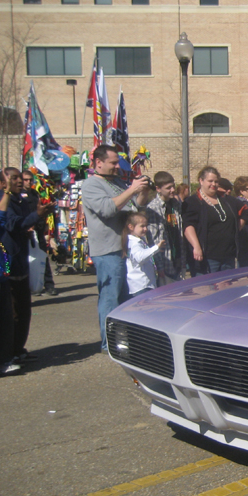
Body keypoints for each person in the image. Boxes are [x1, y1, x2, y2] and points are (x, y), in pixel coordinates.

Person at [81, 145, 153, 352]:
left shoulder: (117, 183)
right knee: (110, 297)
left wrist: (142, 191)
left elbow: (135, 207)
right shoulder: (91, 185)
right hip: (107, 250)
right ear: (98, 163)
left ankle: (124, 339)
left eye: (117, 163)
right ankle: (108, 343)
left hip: (125, 249)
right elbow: (107, 209)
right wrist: (131, 189)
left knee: (125, 297)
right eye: (113, 163)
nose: (116, 167)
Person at [182, 166, 248, 274]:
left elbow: (247, 211)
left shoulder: (226, 200)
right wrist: (196, 247)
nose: (214, 184)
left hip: (228, 257)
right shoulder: (192, 202)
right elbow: (188, 226)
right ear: (201, 181)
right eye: (210, 181)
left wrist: (237, 226)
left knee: (228, 289)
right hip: (207, 257)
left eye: (216, 182)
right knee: (207, 289)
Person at [21, 170, 58, 296]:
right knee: (28, 260)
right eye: (25, 180)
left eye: (30, 180)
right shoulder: (19, 195)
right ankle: (31, 285)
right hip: (26, 230)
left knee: (43, 256)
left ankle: (48, 285)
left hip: (38, 229)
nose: (28, 182)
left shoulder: (35, 193)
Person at [146, 171, 185, 284]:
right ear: (158, 189)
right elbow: (154, 239)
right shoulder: (153, 208)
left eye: (173, 186)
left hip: (177, 255)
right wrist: (160, 267)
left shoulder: (176, 204)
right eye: (168, 188)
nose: (172, 190)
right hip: (165, 261)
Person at [0, 173, 19, 374]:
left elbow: (0, 219)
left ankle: (3, 360)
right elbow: (0, 218)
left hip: (1, 273)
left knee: (4, 320)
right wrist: (6, 191)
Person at [123, 212, 164, 297]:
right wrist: (156, 248)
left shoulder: (138, 240)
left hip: (146, 284)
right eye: (142, 226)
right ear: (131, 227)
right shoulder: (134, 243)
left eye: (146, 226)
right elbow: (140, 257)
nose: (145, 229)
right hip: (141, 286)